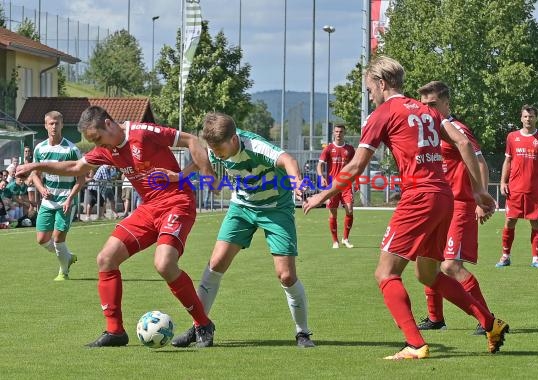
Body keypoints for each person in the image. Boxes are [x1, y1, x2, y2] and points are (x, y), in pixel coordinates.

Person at [303, 56, 508, 359]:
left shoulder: (383, 114)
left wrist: (324, 194)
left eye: (369, 88)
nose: (369, 95)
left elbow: (357, 164)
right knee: (428, 275)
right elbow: (463, 143)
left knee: (385, 274)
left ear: (382, 83)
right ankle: (491, 323)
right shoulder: (426, 110)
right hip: (444, 197)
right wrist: (477, 189)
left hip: (419, 198)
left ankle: (415, 344)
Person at [17, 106, 217, 348]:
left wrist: (201, 176)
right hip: (149, 208)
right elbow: (74, 168)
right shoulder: (105, 149)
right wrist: (36, 166)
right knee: (106, 258)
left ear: (109, 124)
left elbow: (192, 140)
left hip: (177, 203)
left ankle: (203, 324)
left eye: (98, 138)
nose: (101, 146)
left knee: (164, 264)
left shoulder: (142, 133)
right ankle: (115, 331)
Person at [171, 112, 316, 349]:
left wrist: (298, 183)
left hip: (275, 209)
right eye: (214, 150)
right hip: (242, 208)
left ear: (234, 140)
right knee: (215, 263)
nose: (217, 155)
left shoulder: (255, 146)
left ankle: (303, 333)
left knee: (286, 275)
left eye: (220, 150)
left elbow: (288, 160)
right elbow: (201, 160)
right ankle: (200, 327)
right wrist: (178, 176)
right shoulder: (218, 147)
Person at [415, 81, 494, 335]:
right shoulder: (430, 129)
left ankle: (486, 317)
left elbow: (480, 163)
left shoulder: (457, 129)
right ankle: (435, 318)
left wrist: (480, 198)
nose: (427, 108)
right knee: (428, 260)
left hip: (460, 205)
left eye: (433, 104)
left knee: (450, 266)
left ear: (447, 104)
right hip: (438, 205)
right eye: (424, 104)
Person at [26, 111, 84, 281]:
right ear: (45, 125)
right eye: (51, 123)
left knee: (58, 239)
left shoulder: (72, 149)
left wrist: (70, 198)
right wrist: (42, 189)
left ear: (62, 125)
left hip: (65, 200)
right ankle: (67, 256)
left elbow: (81, 178)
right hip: (47, 202)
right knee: (42, 240)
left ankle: (63, 272)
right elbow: (35, 174)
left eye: (57, 123)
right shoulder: (40, 148)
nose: (54, 126)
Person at [497, 105, 538, 269]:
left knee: (536, 223)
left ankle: (536, 259)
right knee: (509, 221)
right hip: (515, 188)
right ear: (521, 118)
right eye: (525, 116)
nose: (528, 119)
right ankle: (505, 256)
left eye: (531, 116)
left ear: (536, 118)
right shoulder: (512, 137)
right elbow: (507, 161)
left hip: (534, 189)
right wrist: (503, 182)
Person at [317, 124, 356, 249]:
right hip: (332, 185)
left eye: (341, 131)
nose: (339, 133)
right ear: (334, 133)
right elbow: (320, 165)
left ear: (344, 133)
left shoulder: (350, 149)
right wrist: (321, 177)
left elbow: (356, 166)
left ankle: (345, 238)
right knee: (333, 213)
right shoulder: (328, 149)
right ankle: (335, 241)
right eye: (337, 131)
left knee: (349, 209)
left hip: (346, 184)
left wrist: (356, 181)